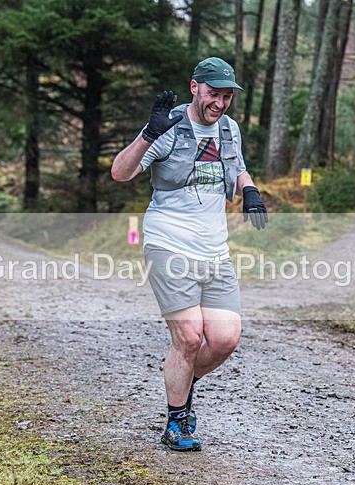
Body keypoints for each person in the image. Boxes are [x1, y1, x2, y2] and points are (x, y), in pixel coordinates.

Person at [111, 57, 269, 452]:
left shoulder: (229, 129)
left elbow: (238, 168)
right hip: (169, 244)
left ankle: (179, 381)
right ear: (195, 87)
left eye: (228, 96)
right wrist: (148, 134)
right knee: (188, 338)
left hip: (215, 251)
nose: (220, 103)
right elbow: (120, 172)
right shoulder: (169, 127)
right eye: (214, 94)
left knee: (224, 340)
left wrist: (249, 189)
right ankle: (177, 420)